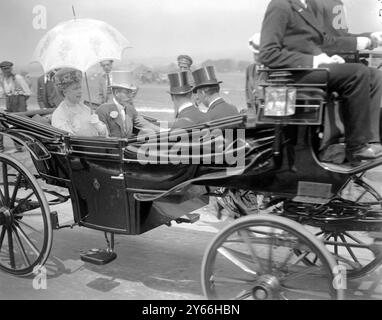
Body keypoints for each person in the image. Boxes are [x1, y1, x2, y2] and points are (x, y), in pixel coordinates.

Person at [259, 0, 382, 163]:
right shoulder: (280, 5)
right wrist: (314, 60)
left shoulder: (308, 6)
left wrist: (330, 57)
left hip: (311, 69)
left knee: (374, 75)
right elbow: (268, 54)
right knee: (357, 73)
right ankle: (356, 146)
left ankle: (371, 140)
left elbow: (324, 42)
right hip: (292, 74)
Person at [96, 71, 159, 138]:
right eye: (127, 93)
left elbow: (145, 124)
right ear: (117, 93)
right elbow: (103, 137)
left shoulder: (130, 109)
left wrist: (164, 130)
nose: (130, 96)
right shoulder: (102, 110)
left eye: (131, 92)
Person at [52, 68, 108, 136]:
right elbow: (69, 141)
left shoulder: (86, 109)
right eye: (75, 88)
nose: (80, 91)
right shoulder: (59, 115)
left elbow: (104, 135)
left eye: (80, 87)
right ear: (64, 92)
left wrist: (99, 126)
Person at [0, 61, 32, 152]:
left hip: (19, 104)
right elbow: (2, 93)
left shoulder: (18, 78)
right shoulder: (2, 79)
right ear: (1, 70)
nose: (6, 70)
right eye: (4, 69)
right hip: (9, 104)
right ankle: (17, 146)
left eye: (8, 68)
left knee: (21, 125)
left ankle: (23, 146)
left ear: (11, 68)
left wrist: (20, 101)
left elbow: (28, 92)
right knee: (9, 125)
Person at [245, 33, 262, 111]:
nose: (257, 57)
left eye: (259, 54)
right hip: (253, 113)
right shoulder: (249, 69)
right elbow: (247, 91)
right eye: (255, 54)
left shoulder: (271, 70)